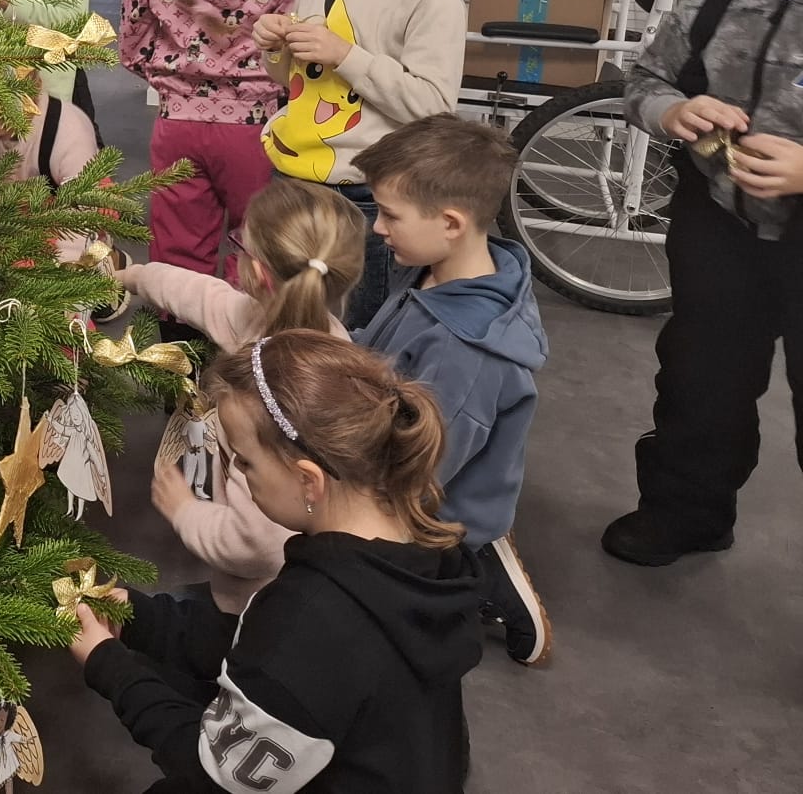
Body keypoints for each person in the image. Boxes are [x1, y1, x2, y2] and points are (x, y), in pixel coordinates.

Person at [69, 331, 481, 794]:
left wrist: (109, 666)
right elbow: (257, 642)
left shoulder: (311, 619)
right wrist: (142, 618)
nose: (236, 474)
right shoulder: (414, 546)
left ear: (309, 481)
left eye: (245, 462)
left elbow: (213, 776)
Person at [603, 0, 803, 568]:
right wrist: (674, 112)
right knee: (700, 379)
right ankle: (688, 512)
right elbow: (647, 80)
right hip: (720, 226)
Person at [354, 115, 550, 666]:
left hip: (433, 510)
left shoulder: (464, 352)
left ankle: (476, 569)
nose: (378, 228)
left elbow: (423, 471)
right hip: (399, 445)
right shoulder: (435, 268)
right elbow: (386, 348)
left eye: (390, 215)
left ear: (450, 223)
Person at [122, 179, 365, 614]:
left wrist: (185, 511)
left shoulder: (277, 403)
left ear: (258, 273)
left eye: (239, 245)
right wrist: (135, 276)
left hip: (266, 601)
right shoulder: (282, 324)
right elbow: (199, 294)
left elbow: (255, 545)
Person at [254, 0, 464, 328]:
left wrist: (346, 56)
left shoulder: (429, 0)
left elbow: (433, 106)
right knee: (281, 316)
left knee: (357, 328)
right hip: (294, 176)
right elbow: (293, 82)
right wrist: (275, 46)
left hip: (368, 193)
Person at [119, 0, 303, 280]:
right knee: (258, 250)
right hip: (256, 132)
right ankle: (246, 326)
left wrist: (179, 84)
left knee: (178, 254)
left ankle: (178, 327)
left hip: (177, 126)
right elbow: (296, 57)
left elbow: (132, 50)